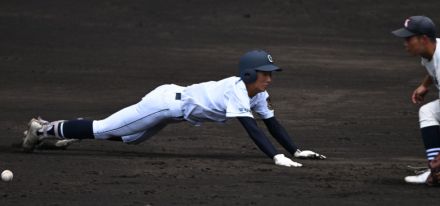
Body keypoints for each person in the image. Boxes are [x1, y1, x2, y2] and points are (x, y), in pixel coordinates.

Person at [21, 50, 326, 167]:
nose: (269, 78)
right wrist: (275, 157)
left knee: (129, 137)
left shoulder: (256, 93)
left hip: (172, 108)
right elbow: (252, 129)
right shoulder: (237, 92)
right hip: (164, 104)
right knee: (106, 128)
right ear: (249, 75)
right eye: (264, 73)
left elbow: (271, 123)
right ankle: (44, 128)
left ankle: (72, 132)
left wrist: (295, 150)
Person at [392, 16, 440, 185]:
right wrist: (424, 85)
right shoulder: (431, 52)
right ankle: (436, 169)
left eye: (409, 38)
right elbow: (432, 68)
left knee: (428, 111)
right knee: (428, 111)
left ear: (424, 39)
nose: (405, 43)